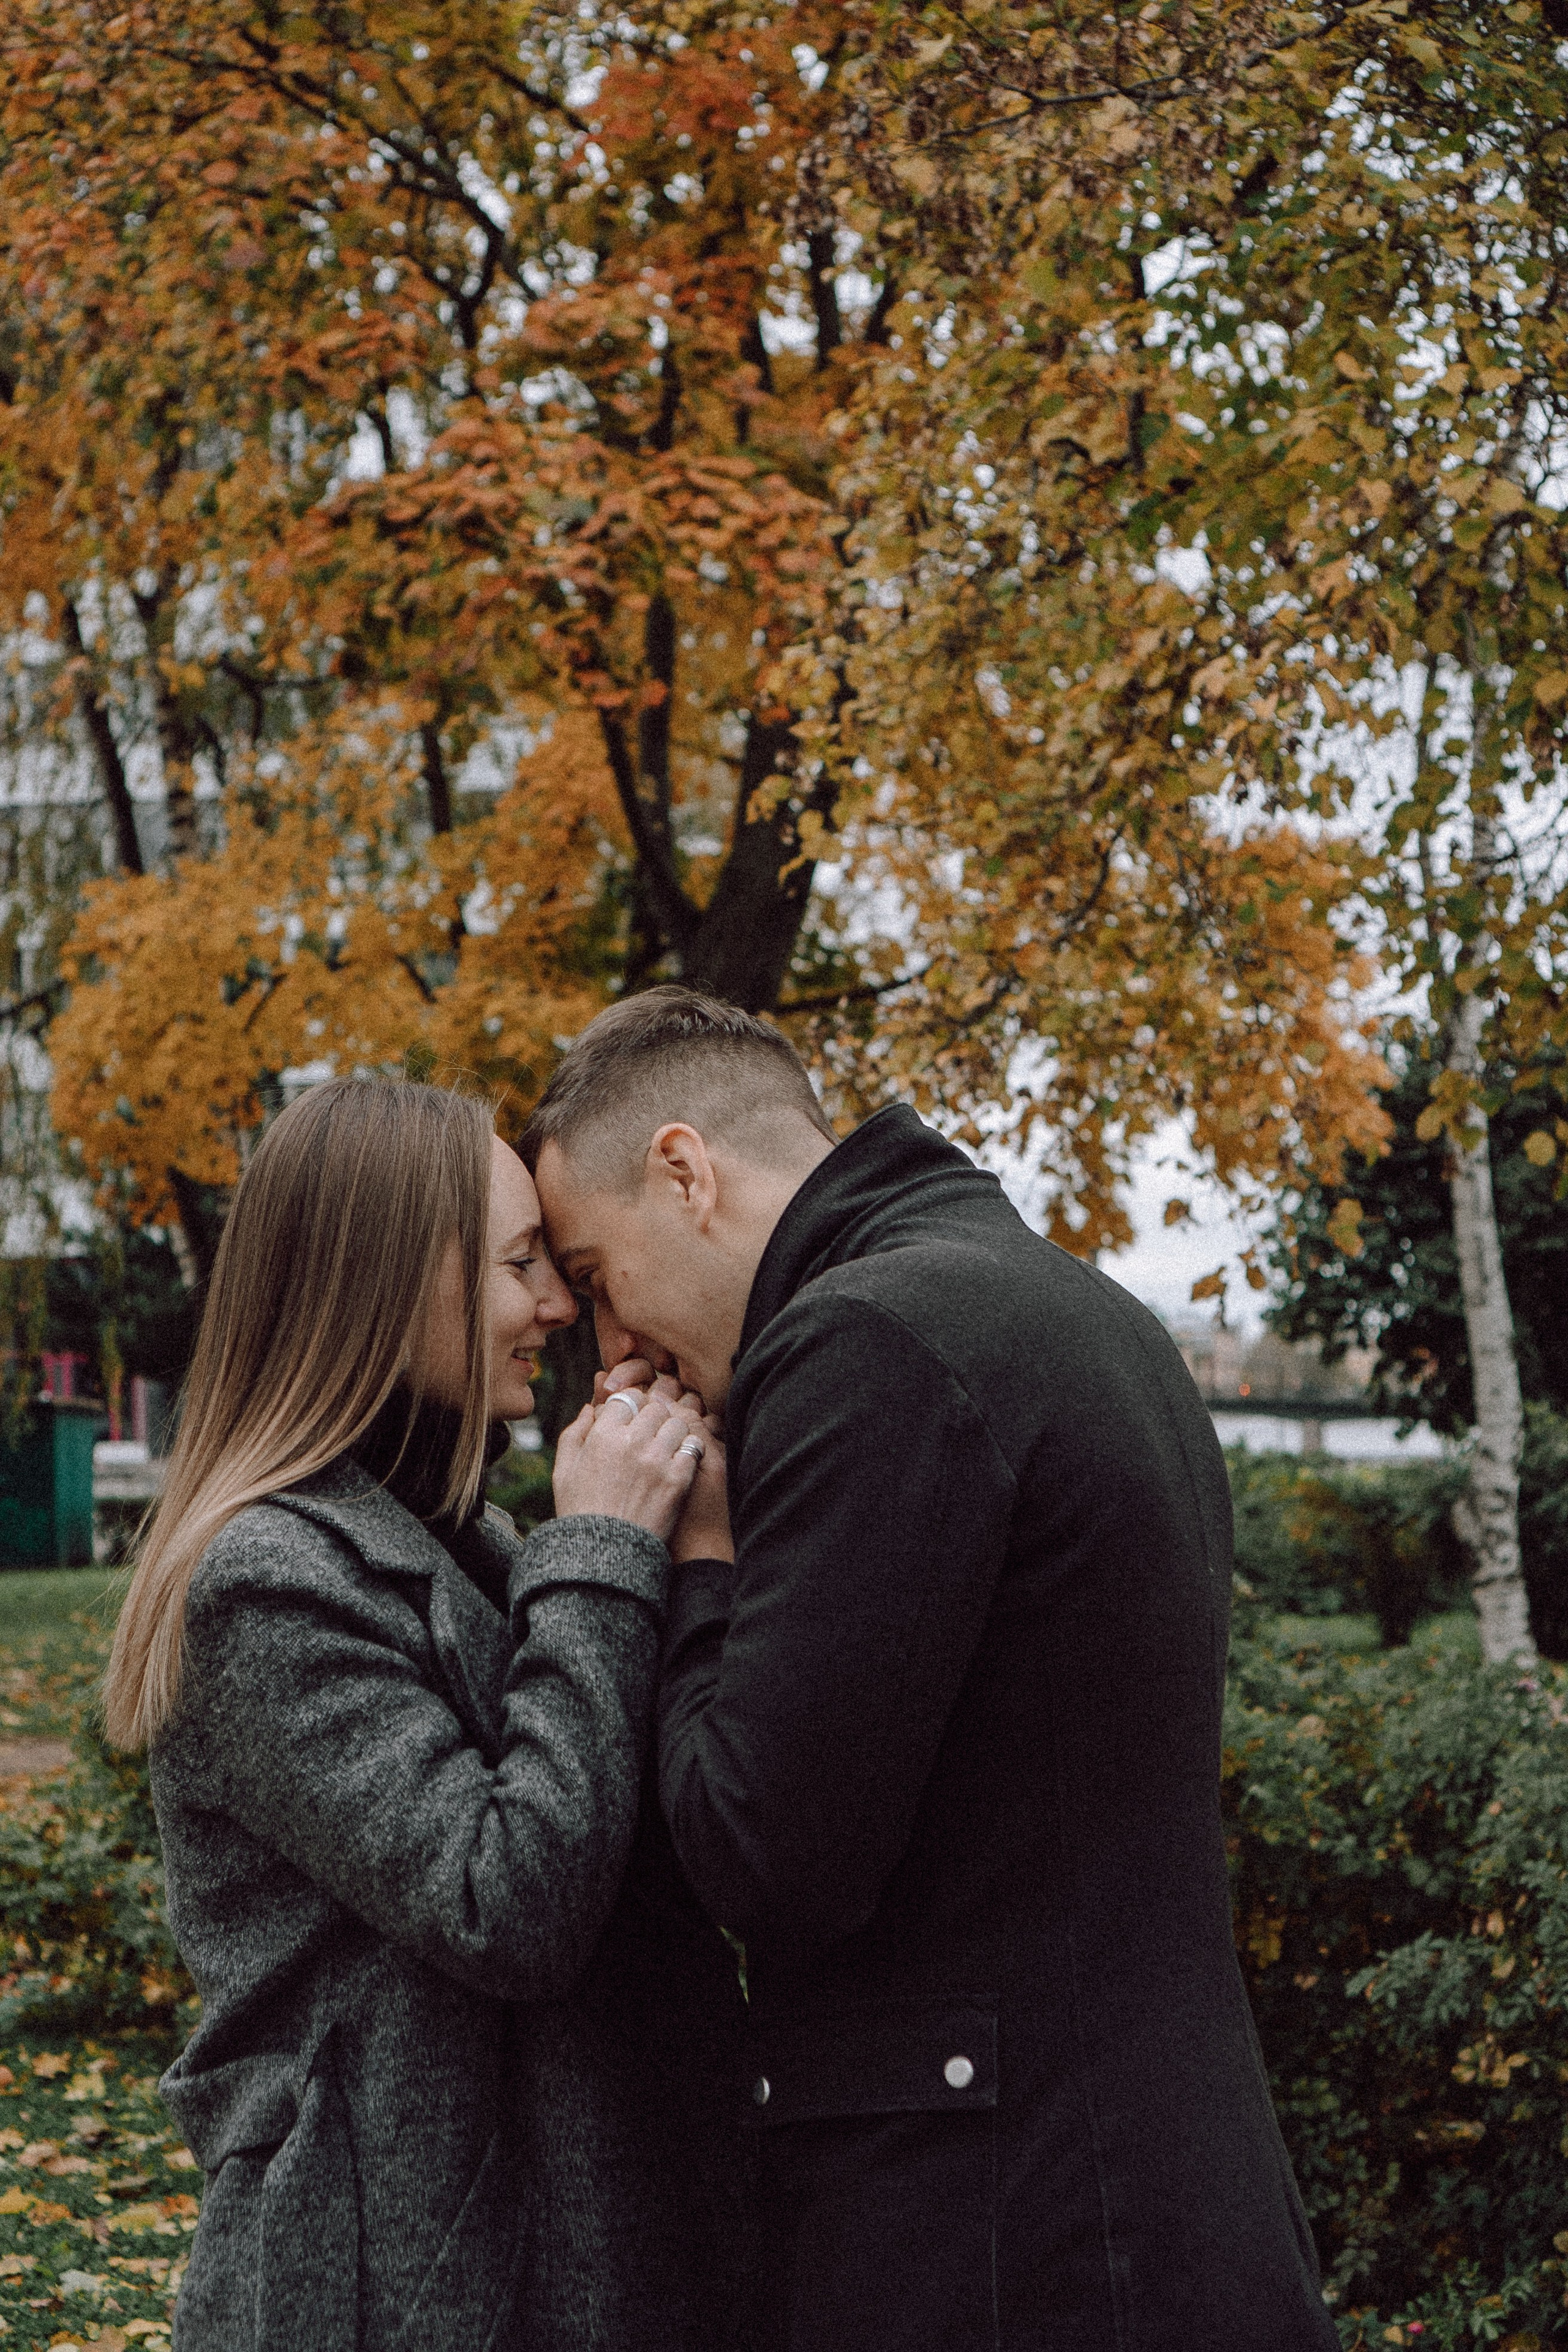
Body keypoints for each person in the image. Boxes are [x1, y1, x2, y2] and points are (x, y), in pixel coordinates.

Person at [524, 986, 1341, 2352]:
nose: (609, 1349)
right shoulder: (1076, 1308)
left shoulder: (867, 1344)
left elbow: (764, 1853)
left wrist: (697, 1559)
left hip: (1000, 2245)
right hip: (1137, 2200)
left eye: (599, 1280)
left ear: (683, 1171)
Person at [103, 1074, 748, 2352]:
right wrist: (607, 1550)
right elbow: (502, 1901)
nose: (558, 1306)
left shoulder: (475, 1548)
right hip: (384, 2282)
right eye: (520, 1264)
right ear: (392, 1283)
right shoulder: (268, 1579)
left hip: (555, 2246)